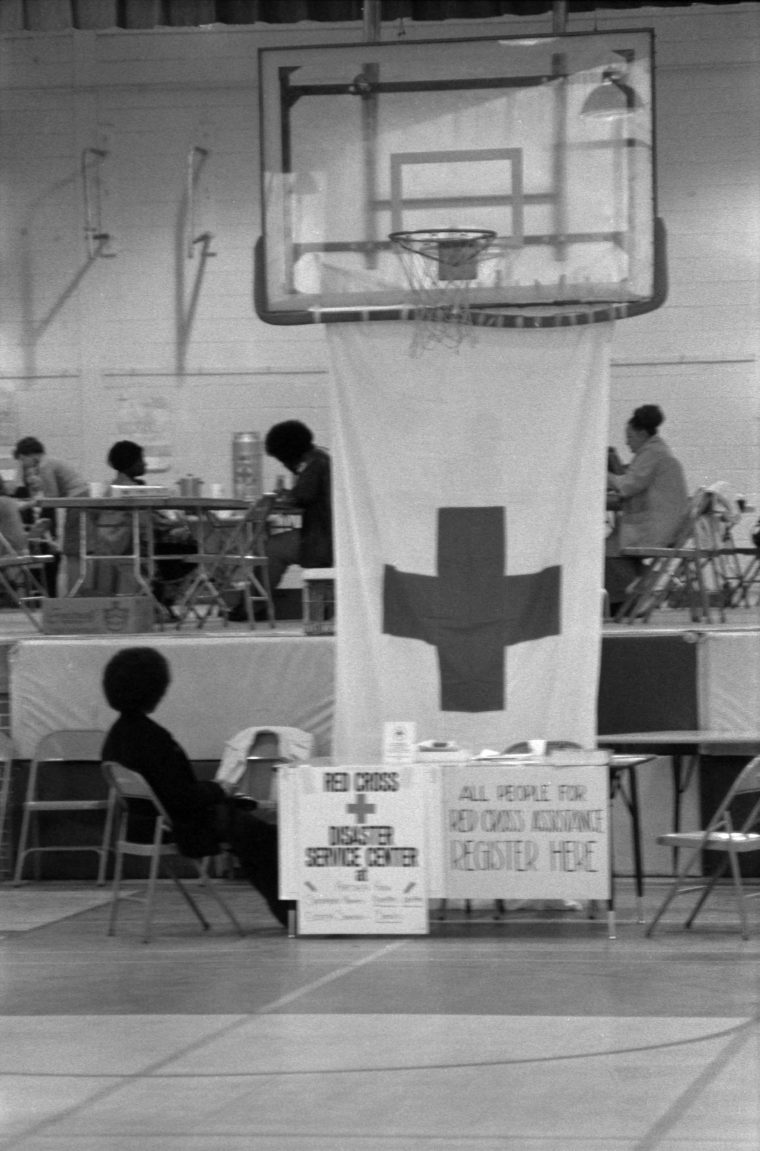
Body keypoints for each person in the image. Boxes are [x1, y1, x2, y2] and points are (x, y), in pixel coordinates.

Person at [100, 646, 291, 928]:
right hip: (181, 826)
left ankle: (287, 911)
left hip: (143, 824)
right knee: (265, 839)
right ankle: (291, 912)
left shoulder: (116, 738)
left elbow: (168, 790)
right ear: (155, 689)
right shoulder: (153, 739)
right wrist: (219, 789)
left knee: (252, 832)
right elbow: (180, 797)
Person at [605, 405, 689, 612]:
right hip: (664, 524)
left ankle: (629, 600)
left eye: (630, 437)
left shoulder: (653, 453)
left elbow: (626, 486)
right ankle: (641, 588)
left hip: (657, 528)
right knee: (614, 544)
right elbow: (635, 482)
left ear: (642, 433)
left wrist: (601, 472)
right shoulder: (656, 450)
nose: (627, 442)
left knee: (607, 549)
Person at [94, 440, 196, 605]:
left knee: (175, 543)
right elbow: (149, 521)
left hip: (111, 546)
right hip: (128, 547)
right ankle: (166, 597)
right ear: (131, 462)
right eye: (141, 459)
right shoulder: (132, 491)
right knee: (189, 546)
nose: (145, 463)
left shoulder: (112, 487)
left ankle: (162, 596)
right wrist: (176, 523)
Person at [13, 435, 88, 594]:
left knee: (72, 549)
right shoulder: (49, 462)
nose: (22, 466)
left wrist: (28, 503)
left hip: (77, 499)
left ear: (29, 455)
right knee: (71, 549)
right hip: (77, 497)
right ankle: (74, 591)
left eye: (22, 460)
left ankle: (74, 593)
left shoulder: (45, 465)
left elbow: (51, 497)